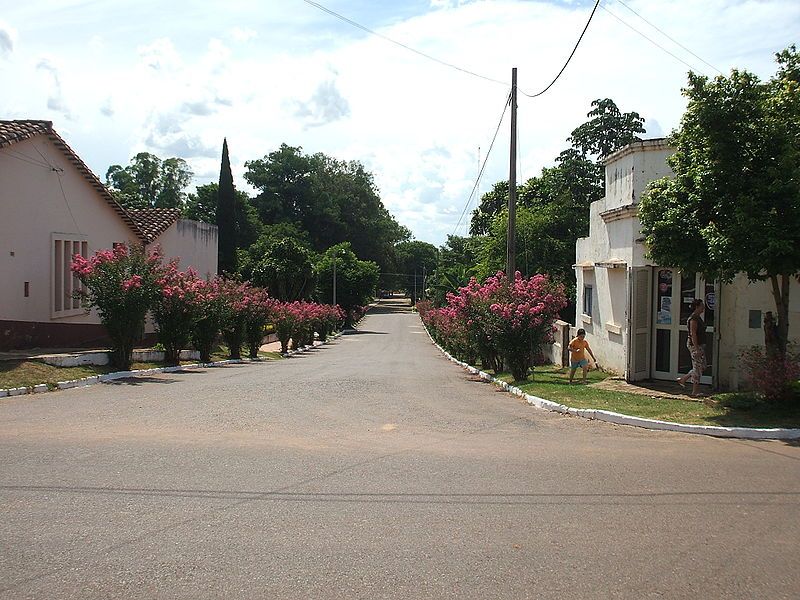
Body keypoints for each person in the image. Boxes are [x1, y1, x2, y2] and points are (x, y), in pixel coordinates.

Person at [677, 299, 706, 396]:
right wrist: (697, 348)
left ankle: (684, 379)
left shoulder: (698, 317)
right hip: (695, 346)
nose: (703, 308)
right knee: (697, 367)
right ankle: (695, 391)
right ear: (697, 307)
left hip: (700, 345)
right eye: (702, 306)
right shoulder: (693, 318)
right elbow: (693, 334)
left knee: (702, 366)